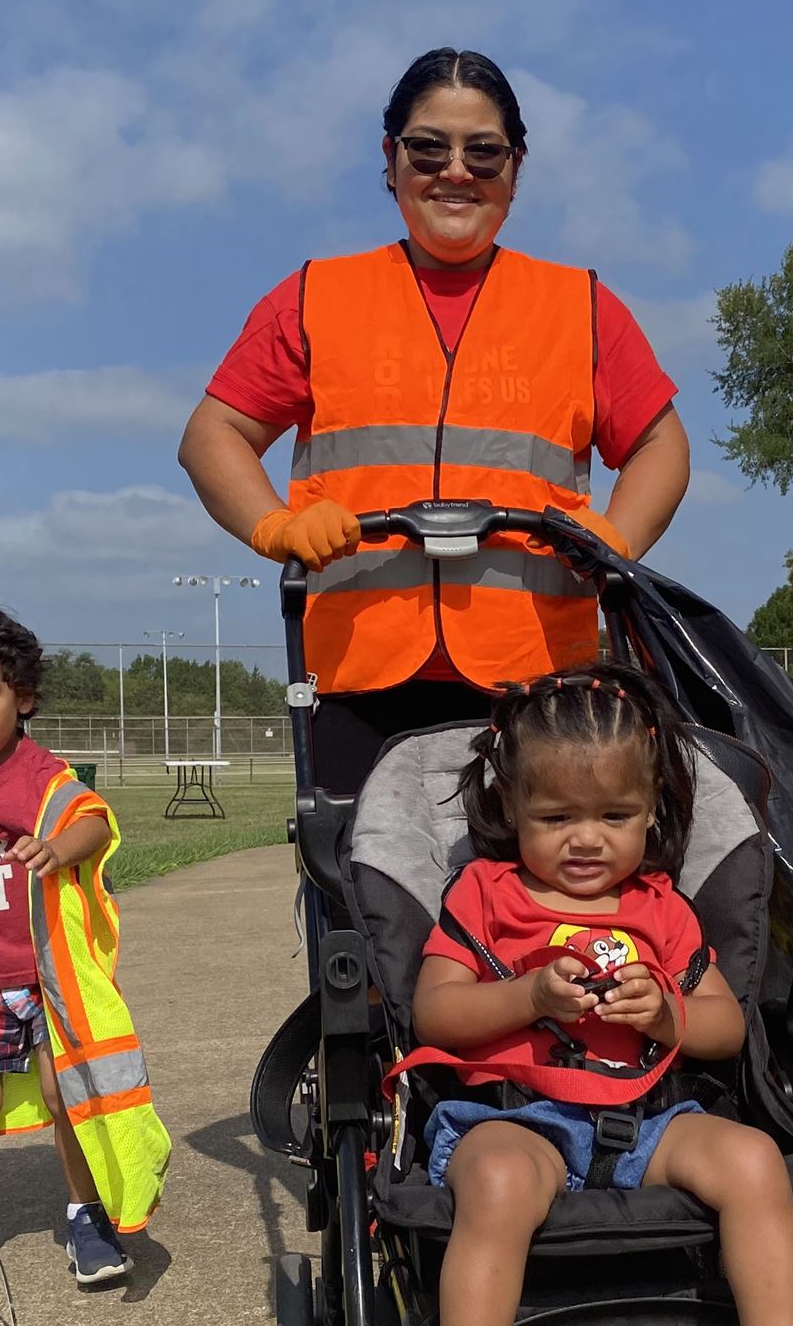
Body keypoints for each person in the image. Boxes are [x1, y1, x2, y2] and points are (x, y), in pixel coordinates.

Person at [405, 664, 793, 1326]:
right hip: (518, 1118)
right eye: (554, 819)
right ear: (509, 813)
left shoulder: (663, 911)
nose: (585, 840)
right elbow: (435, 1013)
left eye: (614, 818)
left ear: (653, 815)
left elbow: (722, 1027)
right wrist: (528, 996)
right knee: (490, 1181)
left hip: (648, 1118)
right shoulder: (485, 897)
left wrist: (670, 1014)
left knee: (755, 1162)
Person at [178, 47, 693, 791]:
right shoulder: (315, 297)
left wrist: (617, 540)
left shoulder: (579, 306)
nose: (456, 171)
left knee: (536, 900)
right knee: (361, 896)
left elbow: (659, 444)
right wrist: (274, 525)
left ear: (516, 168)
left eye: (484, 152)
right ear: (390, 159)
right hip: (359, 676)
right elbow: (211, 435)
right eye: (429, 148)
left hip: (538, 682)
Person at [0, 599, 172, 1294]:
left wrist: (54, 849)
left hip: (43, 981)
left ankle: (84, 1215)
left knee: (64, 1098)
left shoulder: (39, 774)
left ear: (22, 697)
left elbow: (94, 822)